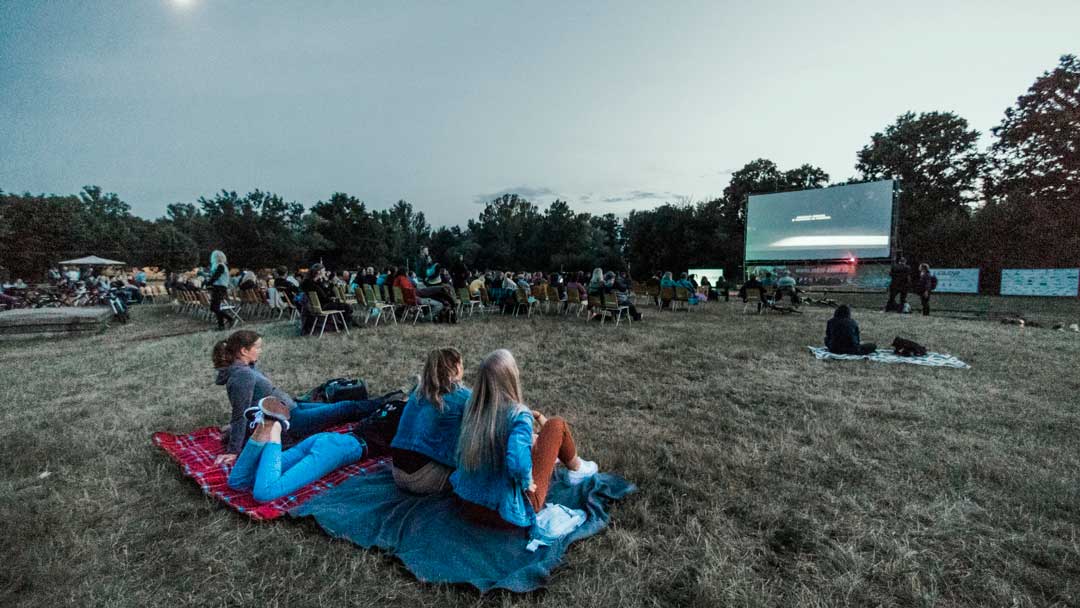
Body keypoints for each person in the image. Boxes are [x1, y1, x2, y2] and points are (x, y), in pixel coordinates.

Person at [451, 349, 598, 528]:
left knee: (532, 444)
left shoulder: (473, 409)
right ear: (511, 378)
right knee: (556, 425)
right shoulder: (518, 415)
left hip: (469, 503)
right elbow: (518, 463)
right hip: (506, 511)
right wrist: (527, 481)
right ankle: (577, 469)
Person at [212, 330, 383, 467]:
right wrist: (233, 450)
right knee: (346, 408)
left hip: (293, 407)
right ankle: (390, 403)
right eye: (257, 347)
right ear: (244, 351)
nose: (260, 350)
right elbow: (240, 412)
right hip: (293, 420)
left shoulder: (246, 367)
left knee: (341, 405)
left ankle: (388, 402)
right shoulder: (242, 376)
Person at [226, 397, 368, 503]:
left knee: (238, 482)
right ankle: (275, 429)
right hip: (340, 448)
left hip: (325, 440)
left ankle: (267, 423)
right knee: (265, 493)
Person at [390, 348, 472, 494]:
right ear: (457, 366)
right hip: (422, 477)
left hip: (396, 471)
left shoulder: (417, 392)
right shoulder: (463, 397)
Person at [208, 250, 233, 330]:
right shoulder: (221, 266)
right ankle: (221, 325)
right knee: (216, 307)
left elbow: (216, 276)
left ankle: (229, 319)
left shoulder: (220, 266)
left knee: (214, 308)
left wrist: (208, 283)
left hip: (219, 288)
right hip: (219, 287)